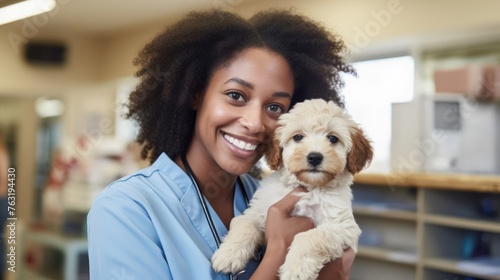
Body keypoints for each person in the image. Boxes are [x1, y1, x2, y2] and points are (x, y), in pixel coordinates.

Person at [87, 9, 357, 280]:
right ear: (195, 94)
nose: (254, 123)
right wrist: (277, 253)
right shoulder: (125, 209)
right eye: (236, 95)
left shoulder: (269, 193)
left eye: (275, 107)